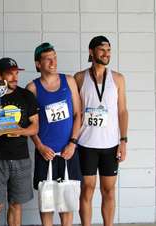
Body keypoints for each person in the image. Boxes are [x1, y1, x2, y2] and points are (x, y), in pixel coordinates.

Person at [26, 42, 82, 226]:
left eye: (55, 57)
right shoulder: (32, 89)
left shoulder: (69, 81)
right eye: (48, 59)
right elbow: (29, 124)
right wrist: (40, 146)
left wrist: (73, 143)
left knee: (67, 203)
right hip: (45, 153)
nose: (53, 62)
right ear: (38, 64)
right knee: (47, 204)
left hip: (68, 152)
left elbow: (77, 115)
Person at [74, 36, 128, 226]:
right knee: (87, 189)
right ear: (91, 52)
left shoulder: (118, 78)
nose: (106, 54)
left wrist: (123, 141)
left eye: (109, 50)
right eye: (102, 50)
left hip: (110, 144)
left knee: (109, 190)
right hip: (86, 143)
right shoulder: (79, 77)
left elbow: (122, 111)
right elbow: (76, 112)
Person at [0, 57, 38, 226]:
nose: (14, 77)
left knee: (16, 204)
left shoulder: (26, 96)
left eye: (16, 73)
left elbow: (35, 128)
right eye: (9, 74)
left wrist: (16, 130)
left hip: (21, 158)